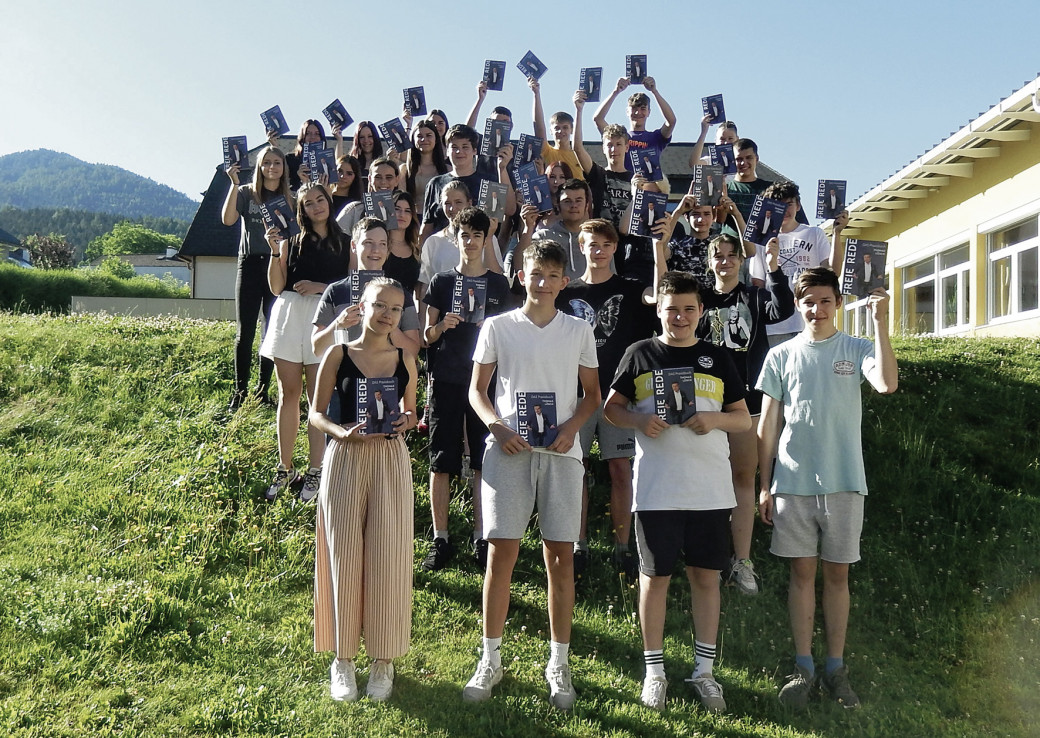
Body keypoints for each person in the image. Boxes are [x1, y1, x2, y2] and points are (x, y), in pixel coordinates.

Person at [603, 270, 751, 714]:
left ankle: (704, 673)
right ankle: (654, 673)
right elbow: (612, 408)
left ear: (701, 312)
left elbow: (743, 418)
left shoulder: (718, 357)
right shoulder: (639, 353)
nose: (680, 317)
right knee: (655, 578)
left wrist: (716, 420)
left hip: (709, 491)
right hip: (656, 492)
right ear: (659, 311)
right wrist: (636, 421)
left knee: (706, 579)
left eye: (688, 309)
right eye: (672, 310)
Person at [463, 240, 600, 711]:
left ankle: (558, 663)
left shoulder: (578, 329)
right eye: (534, 273)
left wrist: (572, 431)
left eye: (552, 276)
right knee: (500, 555)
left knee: (560, 558)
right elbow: (477, 392)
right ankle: (491, 659)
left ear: (565, 281)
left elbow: (592, 395)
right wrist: (497, 428)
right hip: (509, 453)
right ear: (521, 274)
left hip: (561, 454)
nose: (542, 283)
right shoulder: (497, 327)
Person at [757, 267, 898, 710]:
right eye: (808, 301)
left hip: (844, 484)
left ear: (837, 303)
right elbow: (767, 425)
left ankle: (836, 668)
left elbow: (887, 383)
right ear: (798, 305)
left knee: (837, 576)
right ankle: (804, 668)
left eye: (824, 300)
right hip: (792, 484)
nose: (816, 309)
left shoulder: (856, 348)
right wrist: (764, 485)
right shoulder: (780, 355)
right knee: (801, 576)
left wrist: (880, 323)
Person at [309, 277, 418, 703]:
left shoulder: (406, 358)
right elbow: (316, 413)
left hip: (390, 460)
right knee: (343, 555)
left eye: (395, 308)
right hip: (346, 458)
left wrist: (407, 421)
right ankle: (343, 659)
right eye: (379, 305)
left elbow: (412, 411)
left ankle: (383, 659)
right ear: (363, 306)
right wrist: (342, 433)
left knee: (388, 556)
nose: (387, 314)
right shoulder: (338, 353)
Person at [557, 218, 656, 581]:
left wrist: (660, 241)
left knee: (620, 470)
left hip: (620, 397)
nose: (597, 251)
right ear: (579, 247)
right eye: (591, 244)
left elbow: (658, 298)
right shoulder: (566, 293)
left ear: (615, 248)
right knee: (574, 470)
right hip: (576, 396)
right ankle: (578, 544)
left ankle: (622, 547)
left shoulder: (631, 289)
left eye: (605, 244)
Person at [695, 233, 794, 595]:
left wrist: (773, 269)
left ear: (740, 260)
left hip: (748, 403)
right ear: (710, 262)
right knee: (705, 481)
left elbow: (783, 309)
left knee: (742, 479)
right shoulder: (699, 300)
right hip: (706, 403)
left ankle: (742, 560)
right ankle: (709, 555)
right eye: (717, 256)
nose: (724, 261)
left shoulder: (754, 295)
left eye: (730, 256)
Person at [422, 207, 513, 571]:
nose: (471, 241)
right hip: (445, 377)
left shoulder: (499, 285)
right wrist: (442, 325)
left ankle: (481, 537)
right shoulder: (442, 282)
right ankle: (440, 538)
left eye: (478, 235)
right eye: (465, 235)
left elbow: (510, 335)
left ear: (485, 239)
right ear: (455, 238)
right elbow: (425, 338)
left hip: (485, 383)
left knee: (482, 460)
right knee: (441, 460)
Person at [260, 183, 352, 502]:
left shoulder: (346, 243)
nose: (316, 206)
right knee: (288, 393)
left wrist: (320, 286)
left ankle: (317, 468)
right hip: (288, 313)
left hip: (323, 316)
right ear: (301, 209)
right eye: (309, 203)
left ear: (329, 201)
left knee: (317, 398)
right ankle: (285, 467)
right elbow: (275, 287)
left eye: (320, 200)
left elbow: (353, 287)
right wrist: (274, 250)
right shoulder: (291, 241)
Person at [221, 145, 291, 411]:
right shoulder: (245, 193)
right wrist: (233, 183)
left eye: (277, 163)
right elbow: (227, 220)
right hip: (249, 263)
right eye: (267, 163)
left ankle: (262, 391)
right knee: (245, 331)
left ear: (284, 168)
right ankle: (239, 392)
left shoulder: (288, 198)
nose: (272, 167)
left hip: (275, 264)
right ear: (260, 166)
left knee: (270, 331)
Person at [749, 181, 832, 346]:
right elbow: (757, 283)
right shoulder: (761, 240)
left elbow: (829, 271)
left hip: (809, 320)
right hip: (776, 327)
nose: (785, 210)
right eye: (779, 205)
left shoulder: (814, 233)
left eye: (789, 204)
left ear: (798, 206)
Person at [420, 124, 515, 246]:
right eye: (454, 147)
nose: (459, 152)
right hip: (443, 249)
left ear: (474, 150)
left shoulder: (488, 181)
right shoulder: (435, 184)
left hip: (480, 250)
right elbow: (427, 226)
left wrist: (502, 169)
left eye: (465, 147)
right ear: (447, 151)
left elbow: (510, 210)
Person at [593, 77, 676, 170]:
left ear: (649, 112)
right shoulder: (619, 136)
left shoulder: (656, 138)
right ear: (627, 111)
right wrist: (616, 91)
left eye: (643, 109)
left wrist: (654, 91)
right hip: (623, 183)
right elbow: (598, 119)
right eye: (634, 109)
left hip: (648, 183)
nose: (638, 113)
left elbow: (671, 121)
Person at [530, 79, 585, 181]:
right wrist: (536, 94)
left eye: (565, 127)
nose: (561, 132)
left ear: (572, 130)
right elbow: (539, 127)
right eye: (557, 128)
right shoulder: (547, 151)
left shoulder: (579, 155)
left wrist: (579, 110)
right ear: (551, 131)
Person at [401, 119, 449, 205]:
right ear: (413, 140)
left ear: (436, 139)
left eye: (429, 135)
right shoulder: (404, 170)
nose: (424, 139)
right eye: (419, 136)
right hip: (412, 216)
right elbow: (401, 199)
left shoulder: (448, 169)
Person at [726, 138, 771, 222]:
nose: (743, 163)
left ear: (756, 159)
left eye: (749, 158)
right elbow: (718, 220)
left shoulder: (770, 189)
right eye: (739, 159)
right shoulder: (725, 189)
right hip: (728, 235)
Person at [349, 121, 384, 191]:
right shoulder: (352, 164)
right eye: (362, 137)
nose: (366, 140)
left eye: (370, 136)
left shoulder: (383, 164)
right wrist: (339, 140)